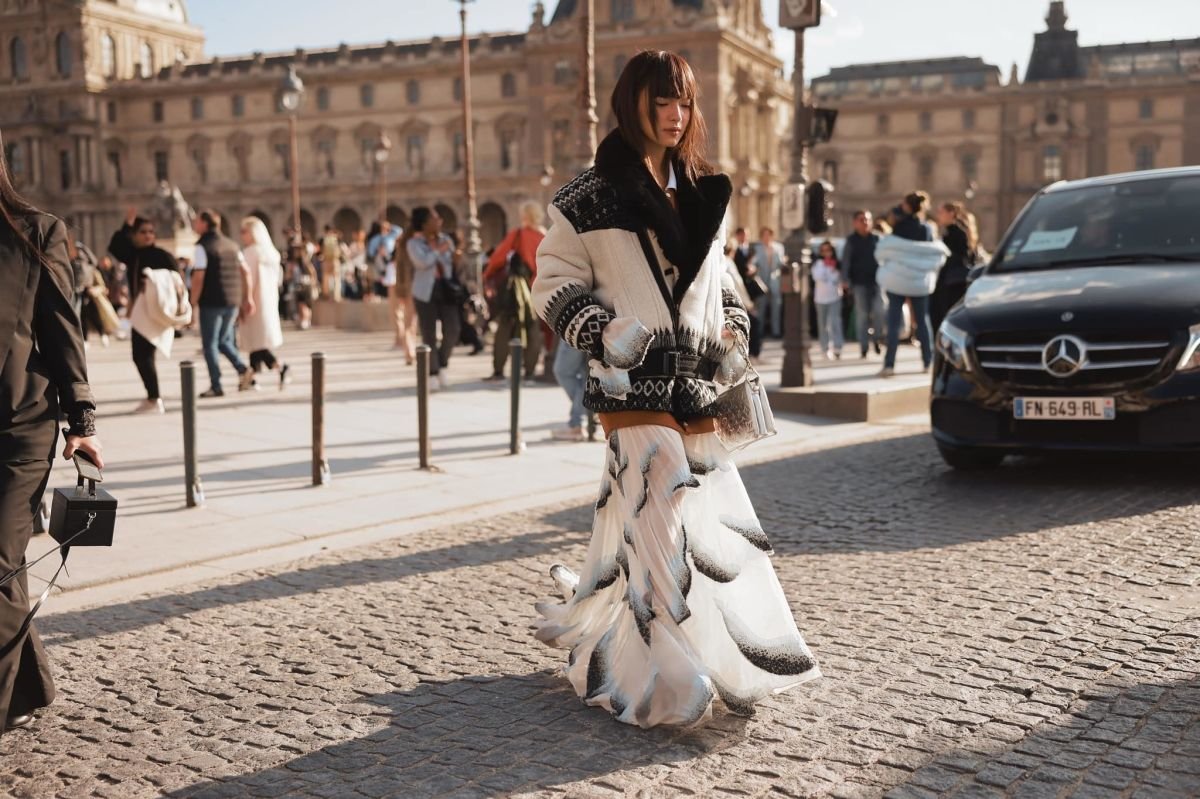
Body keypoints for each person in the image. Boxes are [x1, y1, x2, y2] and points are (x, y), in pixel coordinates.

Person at [531, 50, 819, 727]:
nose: (673, 113)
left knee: (697, 524)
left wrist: (737, 335)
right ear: (631, 103)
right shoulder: (586, 197)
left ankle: (699, 650)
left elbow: (725, 286)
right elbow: (551, 281)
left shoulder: (704, 191)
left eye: (684, 102)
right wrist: (600, 330)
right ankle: (668, 670)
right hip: (630, 383)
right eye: (661, 100)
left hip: (696, 385)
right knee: (659, 496)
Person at [0, 138, 103, 735]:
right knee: (3, 564)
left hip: (19, 425)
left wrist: (81, 423)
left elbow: (64, 329)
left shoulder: (37, 231)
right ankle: (28, 684)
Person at [108, 209, 181, 410]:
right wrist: (127, 225)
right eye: (143, 232)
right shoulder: (134, 255)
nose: (148, 235)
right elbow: (115, 246)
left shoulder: (162, 255)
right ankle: (153, 397)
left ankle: (154, 399)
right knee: (142, 355)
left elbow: (177, 283)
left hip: (155, 311)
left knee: (143, 355)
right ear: (134, 236)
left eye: (151, 232)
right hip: (141, 311)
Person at [876, 191, 949, 377]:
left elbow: (888, 250)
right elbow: (930, 253)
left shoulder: (899, 227)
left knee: (893, 323)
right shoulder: (926, 229)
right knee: (923, 322)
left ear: (907, 206)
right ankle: (928, 362)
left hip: (897, 279)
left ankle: (889, 365)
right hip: (919, 281)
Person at [190, 209, 255, 397]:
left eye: (197, 222)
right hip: (232, 301)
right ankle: (243, 369)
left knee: (210, 343)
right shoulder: (232, 245)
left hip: (211, 301)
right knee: (223, 340)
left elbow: (199, 277)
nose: (195, 225)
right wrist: (247, 296)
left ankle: (216, 385)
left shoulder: (202, 246)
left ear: (204, 224)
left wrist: (192, 301)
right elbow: (246, 272)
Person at [483, 201, 546, 382]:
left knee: (505, 326)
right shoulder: (545, 236)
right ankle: (530, 370)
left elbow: (498, 257)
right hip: (538, 288)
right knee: (533, 327)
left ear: (524, 216)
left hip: (518, 290)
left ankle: (498, 370)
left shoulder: (518, 235)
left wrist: (487, 275)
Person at [407, 206, 462, 390]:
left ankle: (442, 364)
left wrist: (454, 258)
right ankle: (432, 372)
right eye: (435, 218)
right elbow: (422, 262)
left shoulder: (446, 239)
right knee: (428, 332)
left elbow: (449, 264)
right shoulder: (413, 244)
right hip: (424, 291)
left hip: (445, 288)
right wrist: (438, 251)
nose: (439, 221)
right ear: (425, 223)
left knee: (453, 329)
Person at [239, 217, 289, 388]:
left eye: (244, 231)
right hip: (268, 302)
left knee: (256, 342)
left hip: (253, 300)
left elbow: (248, 279)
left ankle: (278, 367)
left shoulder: (250, 252)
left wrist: (245, 298)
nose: (242, 235)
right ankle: (250, 378)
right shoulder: (271, 253)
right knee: (257, 341)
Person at [930, 201, 979, 333]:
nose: (938, 216)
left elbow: (960, 257)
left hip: (951, 283)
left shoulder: (956, 233)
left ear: (951, 214)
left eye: (941, 212)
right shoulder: (955, 232)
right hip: (951, 281)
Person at [842, 210, 885, 358]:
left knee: (880, 311)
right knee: (862, 316)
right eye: (861, 220)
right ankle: (864, 346)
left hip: (878, 282)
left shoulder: (877, 239)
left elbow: (886, 259)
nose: (865, 222)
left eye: (867, 219)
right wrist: (845, 280)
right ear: (855, 223)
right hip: (859, 283)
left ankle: (877, 338)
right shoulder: (851, 240)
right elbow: (846, 262)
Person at [730, 227, 765, 360]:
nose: (745, 237)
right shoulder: (734, 253)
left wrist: (753, 269)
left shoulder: (752, 249)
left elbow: (756, 265)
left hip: (750, 289)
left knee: (753, 319)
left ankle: (754, 350)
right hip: (740, 290)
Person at [750, 226, 786, 337]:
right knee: (761, 306)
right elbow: (753, 262)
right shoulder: (757, 248)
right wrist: (751, 267)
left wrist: (785, 261)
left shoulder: (779, 247)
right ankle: (759, 332)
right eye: (764, 235)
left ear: (771, 235)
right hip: (761, 281)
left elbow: (781, 263)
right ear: (761, 237)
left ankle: (776, 331)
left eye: (768, 235)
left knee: (777, 306)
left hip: (775, 280)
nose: (766, 237)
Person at [389, 227, 418, 365]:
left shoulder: (408, 247)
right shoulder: (406, 248)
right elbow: (399, 272)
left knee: (411, 322)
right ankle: (410, 351)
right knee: (410, 322)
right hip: (409, 289)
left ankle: (410, 350)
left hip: (412, 288)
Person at [812, 240, 844, 359]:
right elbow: (817, 277)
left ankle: (837, 347)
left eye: (828, 250)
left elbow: (837, 278)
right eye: (823, 250)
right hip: (820, 298)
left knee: (835, 322)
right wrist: (827, 268)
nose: (826, 253)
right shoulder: (818, 263)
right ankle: (824, 348)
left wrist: (832, 268)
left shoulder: (837, 264)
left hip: (835, 296)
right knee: (823, 324)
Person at [286, 243, 318, 330]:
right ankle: (303, 320)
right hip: (298, 285)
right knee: (300, 304)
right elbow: (289, 275)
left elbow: (313, 273)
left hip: (305, 285)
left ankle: (306, 320)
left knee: (304, 304)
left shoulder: (305, 262)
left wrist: (313, 283)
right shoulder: (295, 263)